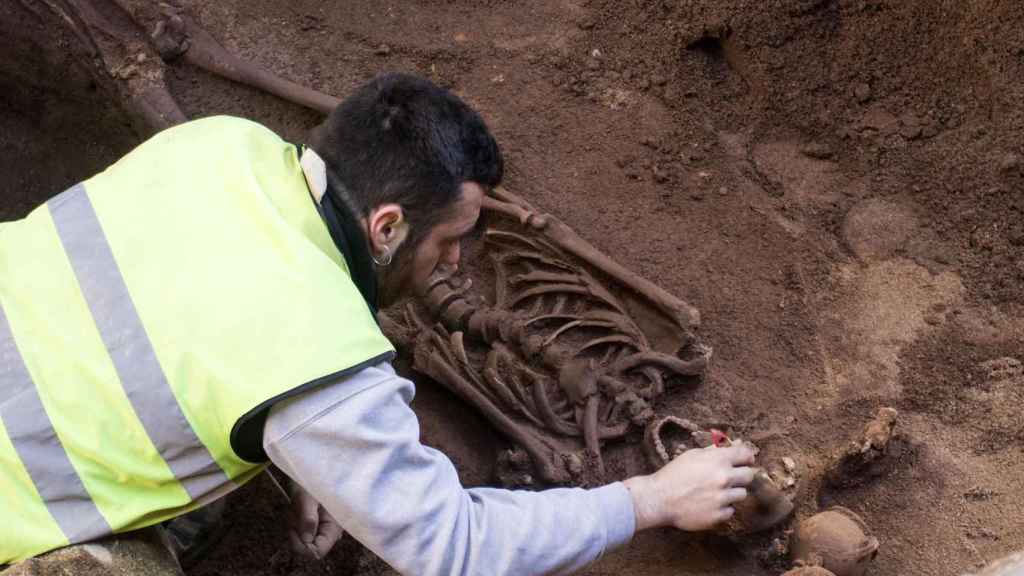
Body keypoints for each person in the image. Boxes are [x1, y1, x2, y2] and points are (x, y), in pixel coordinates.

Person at [0, 72, 755, 575]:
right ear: (387, 226)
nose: (458, 262)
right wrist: (650, 500)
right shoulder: (319, 353)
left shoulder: (220, 144)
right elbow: (450, 544)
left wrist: (306, 449)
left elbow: (172, 301)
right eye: (448, 239)